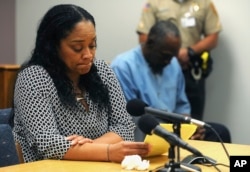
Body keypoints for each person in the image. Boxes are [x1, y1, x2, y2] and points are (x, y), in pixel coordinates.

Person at [12, 4, 150, 163]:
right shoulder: (34, 77)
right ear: (53, 46)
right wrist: (107, 152)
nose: (88, 55)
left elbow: (125, 126)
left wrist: (91, 149)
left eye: (92, 45)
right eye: (77, 47)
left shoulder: (102, 71)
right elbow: (46, 142)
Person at [111, 20, 231, 143]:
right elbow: (131, 117)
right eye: (165, 56)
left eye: (173, 56)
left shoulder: (173, 64)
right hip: (146, 130)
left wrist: (190, 128)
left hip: (175, 126)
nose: (169, 62)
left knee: (220, 132)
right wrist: (172, 134)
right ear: (150, 43)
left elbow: (181, 105)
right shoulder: (123, 66)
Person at [136, 0, 221, 121]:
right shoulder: (155, 3)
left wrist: (189, 52)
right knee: (157, 114)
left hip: (191, 71)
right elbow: (144, 37)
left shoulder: (204, 3)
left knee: (193, 122)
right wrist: (170, 55)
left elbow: (213, 37)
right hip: (161, 70)